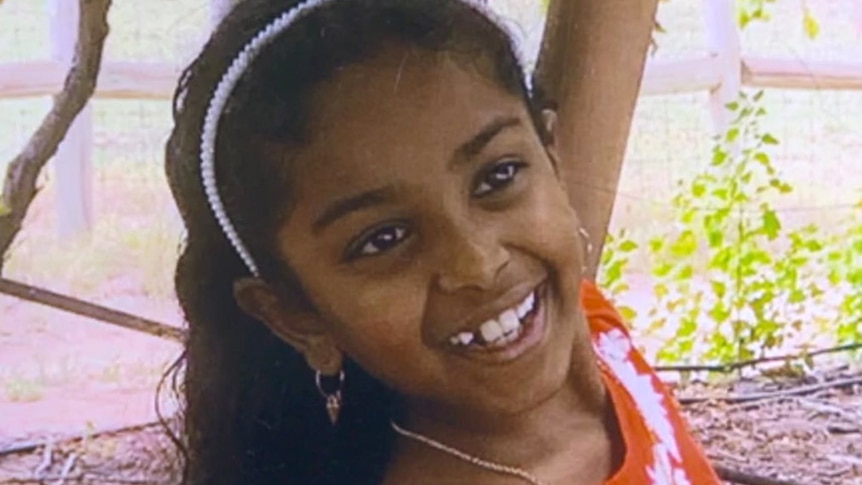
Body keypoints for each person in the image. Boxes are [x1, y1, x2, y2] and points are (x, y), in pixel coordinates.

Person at [163, 1, 722, 484]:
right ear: (296, 315)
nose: (477, 263)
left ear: (551, 156)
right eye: (383, 239)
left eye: (497, 177)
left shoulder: (592, 331)